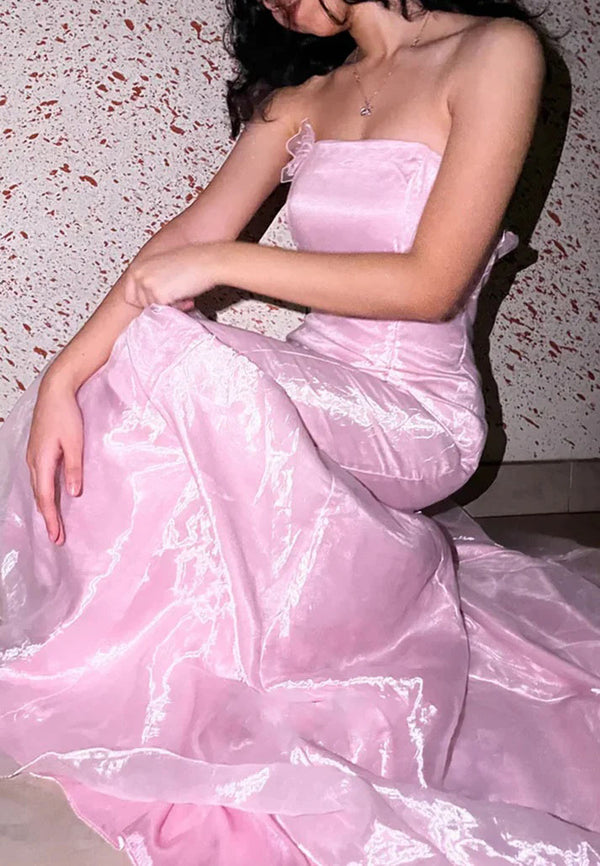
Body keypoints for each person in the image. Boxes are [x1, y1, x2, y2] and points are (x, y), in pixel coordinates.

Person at [0, 0, 599, 863]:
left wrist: (223, 264)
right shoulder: (305, 96)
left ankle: (185, 675)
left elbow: (431, 283)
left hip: (417, 411)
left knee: (186, 361)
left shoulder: (494, 52)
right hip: (321, 383)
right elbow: (187, 234)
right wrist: (63, 378)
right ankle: (145, 664)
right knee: (135, 362)